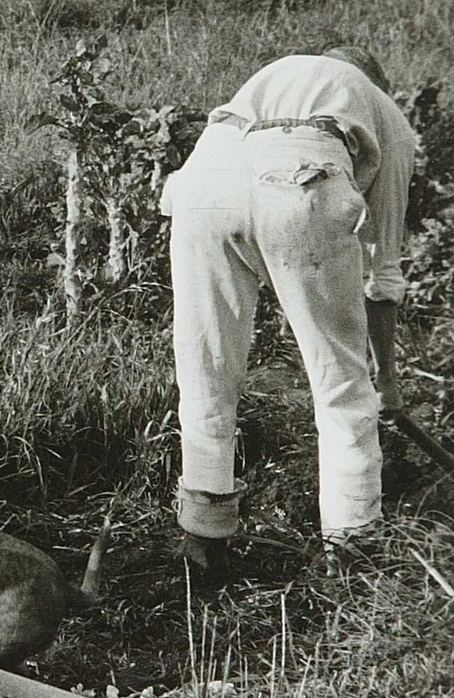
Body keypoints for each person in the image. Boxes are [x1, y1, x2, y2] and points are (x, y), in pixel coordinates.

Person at [159, 45, 414, 580]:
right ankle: (351, 553)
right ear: (375, 83)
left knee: (206, 372)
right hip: (301, 179)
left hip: (204, 186)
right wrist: (386, 379)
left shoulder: (276, 74)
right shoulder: (385, 113)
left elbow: (237, 168)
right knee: (344, 387)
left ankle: (202, 543)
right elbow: (381, 273)